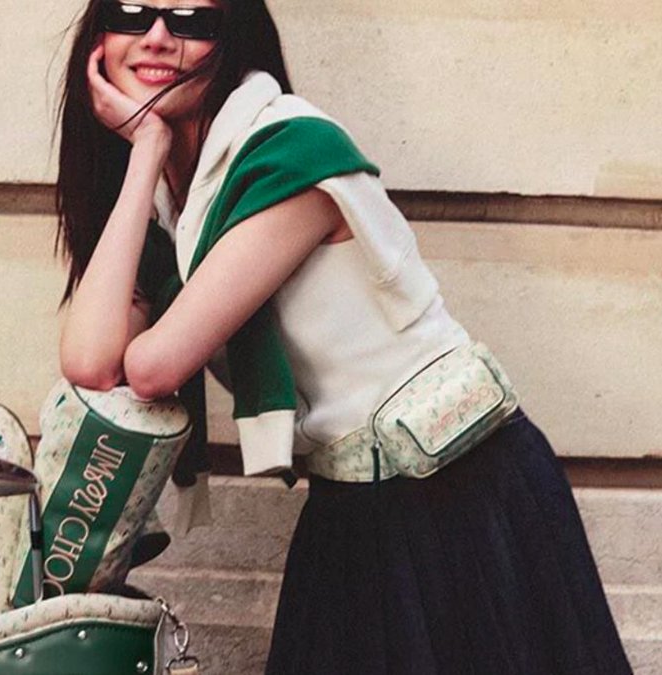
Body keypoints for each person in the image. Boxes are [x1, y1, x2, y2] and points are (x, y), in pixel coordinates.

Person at [56, 1, 633, 673]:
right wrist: (145, 162)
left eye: (191, 20)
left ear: (232, 39)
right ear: (99, 38)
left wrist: (148, 145)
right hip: (353, 501)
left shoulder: (294, 153)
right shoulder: (174, 205)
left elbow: (154, 367)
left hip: (461, 495)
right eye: (133, 13)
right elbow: (91, 361)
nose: (157, 37)